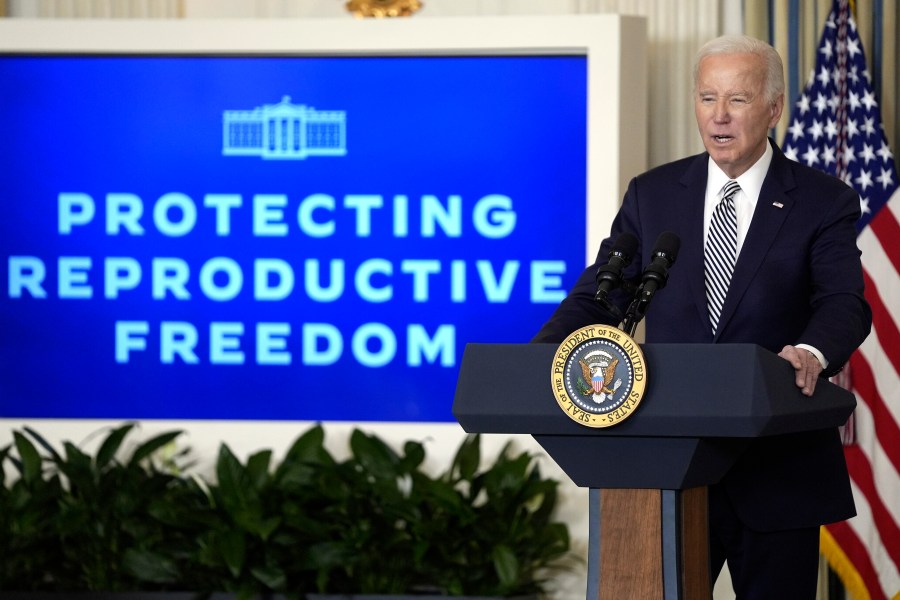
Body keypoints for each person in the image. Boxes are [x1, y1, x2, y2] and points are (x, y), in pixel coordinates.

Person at [532, 34, 872, 598]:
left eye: (737, 99)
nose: (718, 116)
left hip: (775, 470)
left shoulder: (821, 200)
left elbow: (843, 301)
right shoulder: (654, 194)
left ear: (773, 108)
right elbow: (602, 294)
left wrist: (811, 352)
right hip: (664, 467)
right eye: (706, 97)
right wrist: (539, 358)